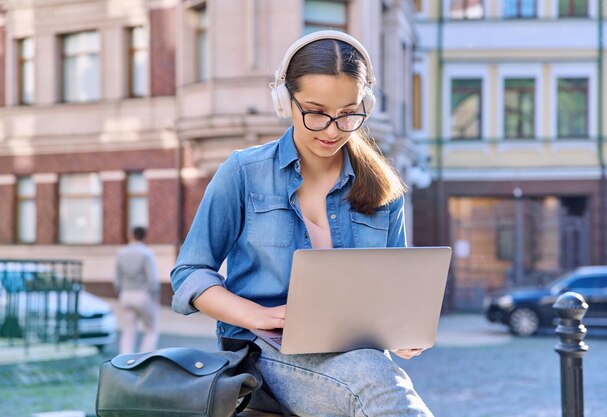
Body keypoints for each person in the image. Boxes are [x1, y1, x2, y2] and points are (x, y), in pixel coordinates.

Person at [171, 30, 434, 417]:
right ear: (284, 101)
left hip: (359, 359)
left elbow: (391, 291)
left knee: (374, 374)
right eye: (315, 111)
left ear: (366, 105)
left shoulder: (385, 190)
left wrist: (402, 332)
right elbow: (190, 272)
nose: (332, 130)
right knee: (375, 380)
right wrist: (257, 315)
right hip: (266, 356)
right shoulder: (243, 173)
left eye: (348, 114)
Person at [115, 226, 160, 354]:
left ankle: (124, 361)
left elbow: (117, 278)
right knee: (151, 330)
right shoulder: (147, 253)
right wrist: (155, 296)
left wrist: (119, 292)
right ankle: (144, 359)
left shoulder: (121, 253)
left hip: (125, 294)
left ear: (131, 235)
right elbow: (152, 278)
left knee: (128, 331)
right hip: (143, 294)